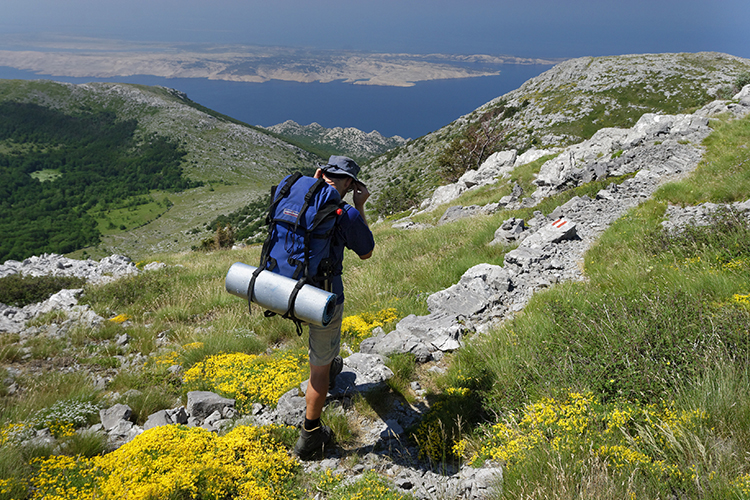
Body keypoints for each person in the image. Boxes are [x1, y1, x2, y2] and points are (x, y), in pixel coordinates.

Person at [293, 155, 375, 460]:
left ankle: (331, 365)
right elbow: (366, 251)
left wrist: (316, 181)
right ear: (350, 184)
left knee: (325, 352)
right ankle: (309, 437)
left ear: (321, 174)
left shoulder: (299, 199)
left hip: (287, 290)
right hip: (323, 298)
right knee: (319, 367)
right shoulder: (345, 213)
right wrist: (360, 205)